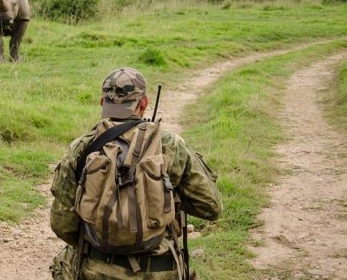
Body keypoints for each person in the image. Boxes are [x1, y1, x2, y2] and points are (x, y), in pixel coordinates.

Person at [49, 67, 222, 280]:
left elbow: (62, 225)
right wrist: (163, 199)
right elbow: (211, 207)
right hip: (160, 270)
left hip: (97, 268)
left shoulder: (82, 148)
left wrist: (105, 237)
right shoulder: (169, 144)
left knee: (61, 263)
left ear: (102, 103)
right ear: (144, 103)